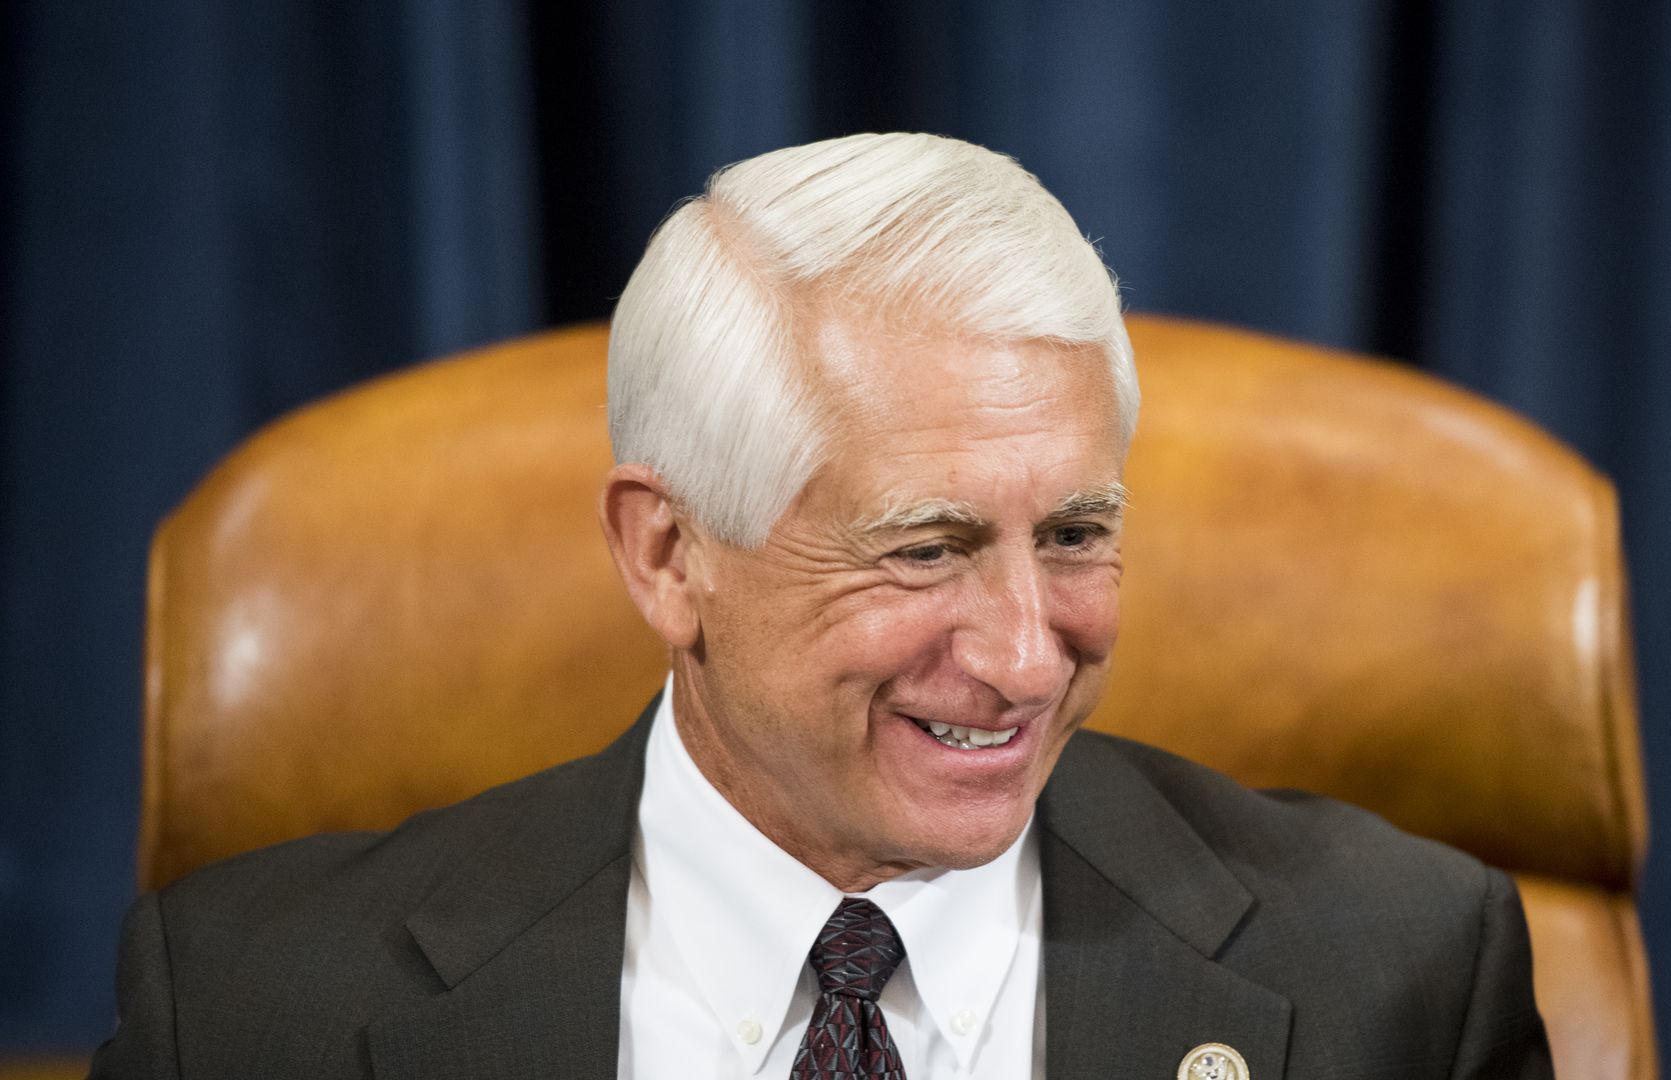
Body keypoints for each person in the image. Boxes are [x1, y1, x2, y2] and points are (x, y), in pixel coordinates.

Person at [91, 133, 1552, 1080]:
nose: (1028, 652)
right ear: (669, 553)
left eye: (1078, 534)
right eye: (924, 550)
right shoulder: (245, 1013)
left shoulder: (1398, 979)